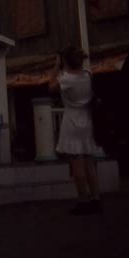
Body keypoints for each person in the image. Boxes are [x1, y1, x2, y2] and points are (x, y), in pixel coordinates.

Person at [49, 45, 102, 215]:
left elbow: (51, 86)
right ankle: (96, 198)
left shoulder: (66, 79)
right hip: (87, 121)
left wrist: (57, 66)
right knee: (89, 164)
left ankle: (83, 200)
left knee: (77, 164)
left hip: (71, 122)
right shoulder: (87, 75)